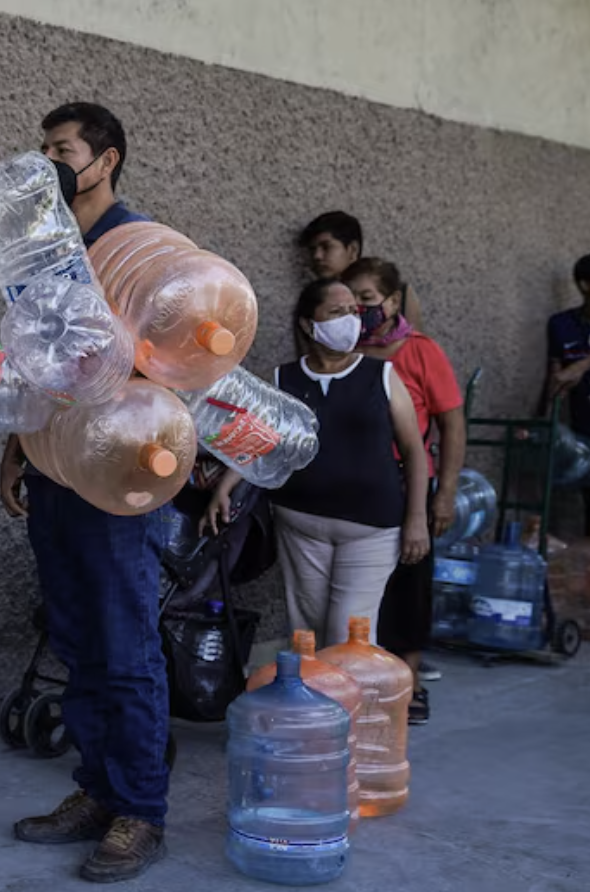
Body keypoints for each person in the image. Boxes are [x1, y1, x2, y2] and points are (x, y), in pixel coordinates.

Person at [0, 102, 170, 885]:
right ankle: (97, 792)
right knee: (74, 638)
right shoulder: (45, 249)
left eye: (61, 150)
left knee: (124, 641)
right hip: (54, 465)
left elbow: (173, 365)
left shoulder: (139, 250)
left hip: (120, 472)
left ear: (104, 161)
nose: (48, 162)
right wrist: (15, 447)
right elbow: (37, 357)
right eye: (43, 149)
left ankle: (140, 810)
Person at [204, 279, 431, 648]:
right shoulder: (284, 378)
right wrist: (225, 489)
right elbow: (260, 441)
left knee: (349, 635)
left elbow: (414, 451)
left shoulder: (382, 375)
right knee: (307, 632)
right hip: (300, 525)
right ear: (309, 325)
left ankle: (350, 705)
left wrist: (417, 520)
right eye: (337, 312)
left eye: (354, 312)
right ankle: (317, 705)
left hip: (371, 529)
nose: (350, 320)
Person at [344, 257, 465, 725]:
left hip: (407, 481)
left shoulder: (419, 351)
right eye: (352, 301)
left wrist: (445, 494)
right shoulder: (345, 351)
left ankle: (409, 684)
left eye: (369, 300)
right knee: (363, 588)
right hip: (356, 483)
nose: (359, 310)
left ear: (393, 302)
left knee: (408, 585)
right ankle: (362, 681)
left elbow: (453, 424)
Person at [299, 211, 424, 331]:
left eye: (326, 247)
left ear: (353, 250)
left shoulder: (397, 292)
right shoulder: (313, 299)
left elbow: (416, 346)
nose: (317, 256)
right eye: (312, 249)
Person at [544, 254, 590, 533]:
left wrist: (583, 365)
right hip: (581, 428)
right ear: (586, 285)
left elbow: (575, 369)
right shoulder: (561, 324)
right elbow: (556, 371)